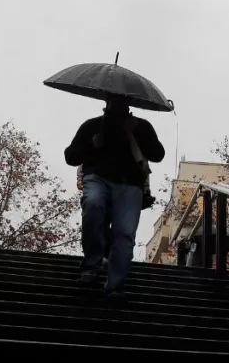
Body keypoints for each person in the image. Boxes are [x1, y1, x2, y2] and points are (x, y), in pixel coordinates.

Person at [65, 98, 165, 297]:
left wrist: (132, 134)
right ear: (106, 102)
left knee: (125, 232)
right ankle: (91, 266)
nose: (117, 106)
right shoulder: (93, 125)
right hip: (97, 178)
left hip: (129, 184)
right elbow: (70, 157)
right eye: (113, 101)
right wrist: (92, 145)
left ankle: (115, 285)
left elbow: (158, 154)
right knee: (92, 205)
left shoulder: (141, 127)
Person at [77, 164, 112, 262]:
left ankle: (106, 254)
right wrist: (80, 176)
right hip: (96, 175)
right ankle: (97, 257)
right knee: (95, 211)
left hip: (123, 179)